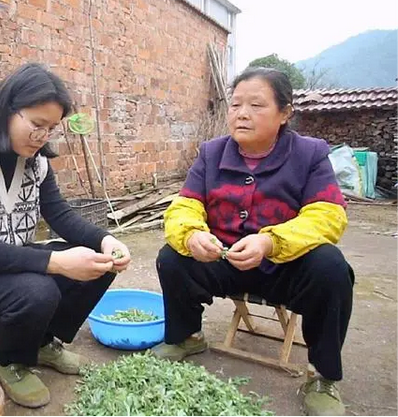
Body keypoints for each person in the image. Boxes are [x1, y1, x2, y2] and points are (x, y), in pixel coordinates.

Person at [0, 63, 131, 408]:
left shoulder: (36, 161)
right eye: (36, 124)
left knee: (97, 263)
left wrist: (104, 240)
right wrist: (58, 262)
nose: (42, 136)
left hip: (5, 262)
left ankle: (43, 341)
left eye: (51, 128)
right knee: (40, 286)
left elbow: (59, 214)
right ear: (7, 109)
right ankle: (13, 362)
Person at [151, 67, 354, 417]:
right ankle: (187, 338)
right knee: (173, 256)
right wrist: (193, 233)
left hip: (284, 266)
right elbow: (184, 205)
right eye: (235, 105)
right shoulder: (212, 153)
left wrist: (270, 242)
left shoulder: (310, 154)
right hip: (225, 258)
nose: (242, 113)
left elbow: (328, 215)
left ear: (285, 112)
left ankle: (322, 376)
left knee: (332, 268)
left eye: (256, 105)